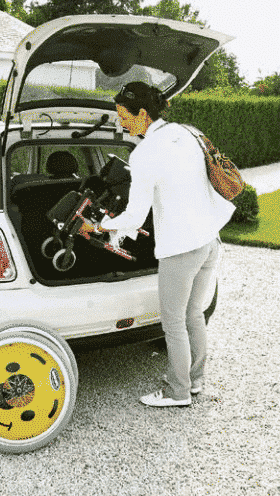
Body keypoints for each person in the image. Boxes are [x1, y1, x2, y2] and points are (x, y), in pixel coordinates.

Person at [100, 82, 235, 407]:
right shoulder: (187, 133)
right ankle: (195, 381)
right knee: (193, 314)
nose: (121, 124)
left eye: (124, 116)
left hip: (181, 248)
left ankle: (177, 391)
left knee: (173, 321)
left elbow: (134, 217)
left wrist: (103, 224)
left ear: (143, 114)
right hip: (209, 240)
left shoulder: (146, 153)